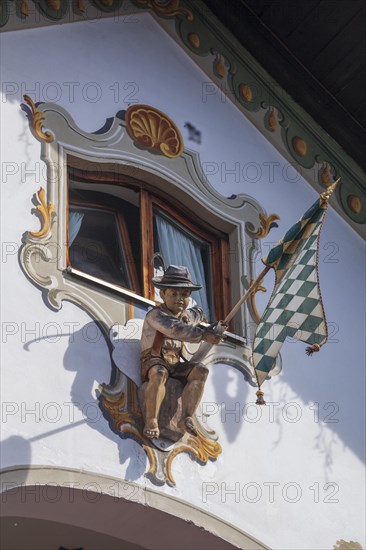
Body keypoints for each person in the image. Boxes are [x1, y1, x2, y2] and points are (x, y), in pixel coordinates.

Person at [140, 265, 226, 439]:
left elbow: (198, 313)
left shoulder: (186, 315)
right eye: (174, 294)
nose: (180, 299)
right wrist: (204, 335)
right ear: (163, 294)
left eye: (185, 295)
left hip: (175, 364)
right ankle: (152, 420)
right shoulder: (155, 315)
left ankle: (186, 417)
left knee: (201, 370)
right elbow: (176, 329)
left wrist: (214, 328)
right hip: (154, 360)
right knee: (159, 373)